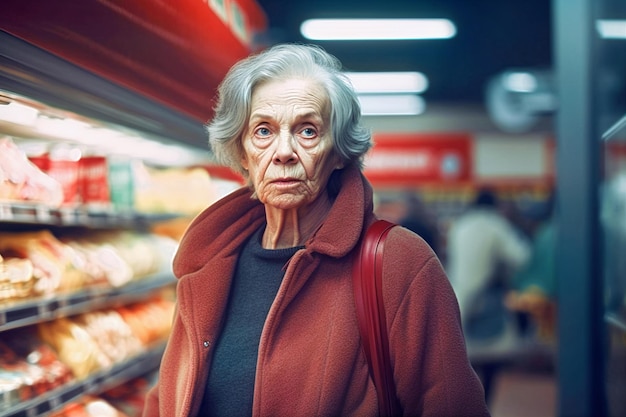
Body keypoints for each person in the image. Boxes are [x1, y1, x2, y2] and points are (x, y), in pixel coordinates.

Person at [143, 43, 490, 417]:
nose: (284, 151)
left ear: (339, 151)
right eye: (263, 131)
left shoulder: (399, 263)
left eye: (307, 131)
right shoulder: (209, 262)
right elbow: (164, 401)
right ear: (242, 151)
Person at [446, 188, 531, 345]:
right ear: (495, 205)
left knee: (464, 354)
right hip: (486, 301)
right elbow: (522, 257)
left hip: (457, 298)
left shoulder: (460, 225)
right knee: (496, 351)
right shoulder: (495, 223)